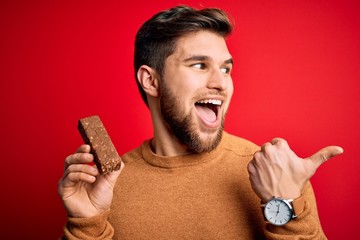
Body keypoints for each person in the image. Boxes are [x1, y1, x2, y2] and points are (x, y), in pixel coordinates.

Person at [58, 5, 343, 239]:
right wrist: (86, 224)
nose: (222, 83)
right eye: (199, 65)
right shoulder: (109, 189)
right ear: (151, 80)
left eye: (226, 68)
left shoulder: (277, 172)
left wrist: (286, 205)